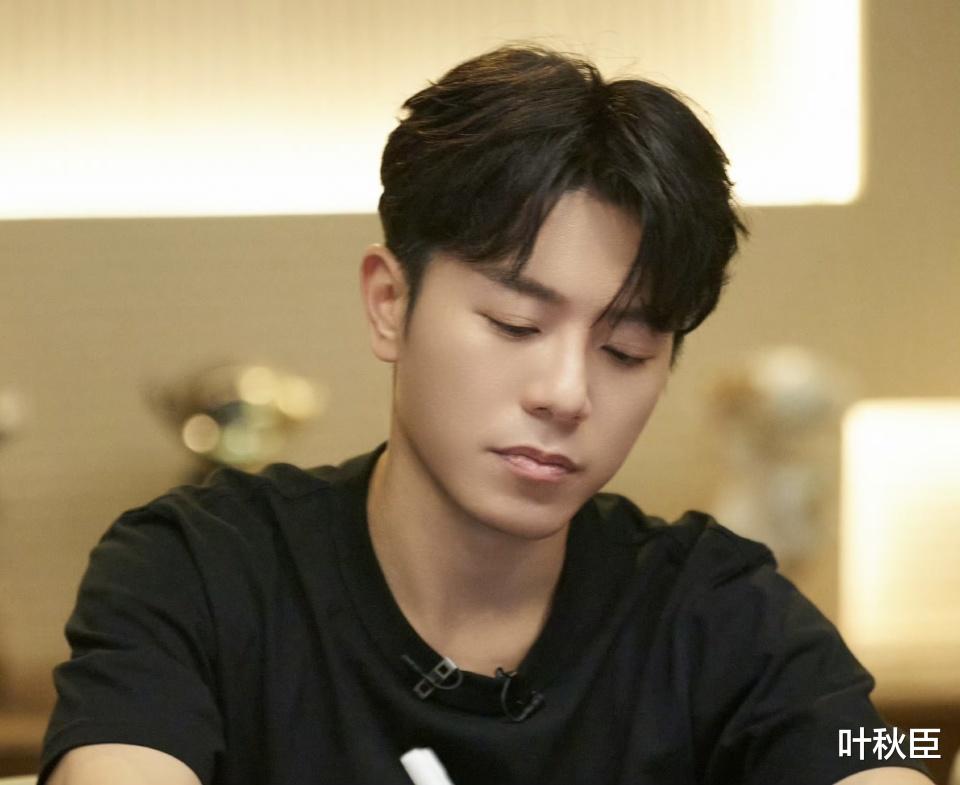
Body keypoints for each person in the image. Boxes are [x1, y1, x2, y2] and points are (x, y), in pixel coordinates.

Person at [40, 45, 932, 785]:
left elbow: (877, 749)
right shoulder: (200, 573)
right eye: (515, 324)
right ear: (390, 302)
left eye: (625, 349)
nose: (567, 392)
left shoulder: (719, 613)